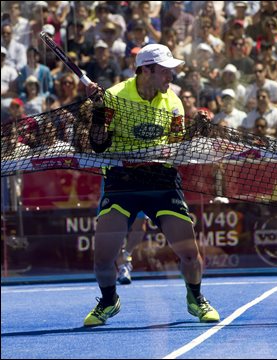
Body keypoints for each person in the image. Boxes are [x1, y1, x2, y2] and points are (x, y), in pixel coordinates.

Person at [82, 43, 219, 326]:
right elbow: (97, 144)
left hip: (162, 181)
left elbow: (178, 146)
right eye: (165, 71)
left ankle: (196, 298)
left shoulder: (174, 102)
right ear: (146, 70)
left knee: (190, 255)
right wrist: (97, 110)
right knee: (103, 259)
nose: (171, 77)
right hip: (122, 182)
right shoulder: (115, 96)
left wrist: (197, 130)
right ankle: (109, 301)